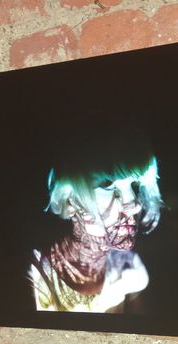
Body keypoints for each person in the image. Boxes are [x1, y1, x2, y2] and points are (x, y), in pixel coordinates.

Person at [28, 120, 163, 313]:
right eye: (108, 186)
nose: (134, 205)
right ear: (69, 200)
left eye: (134, 185)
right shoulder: (36, 274)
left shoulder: (131, 271)